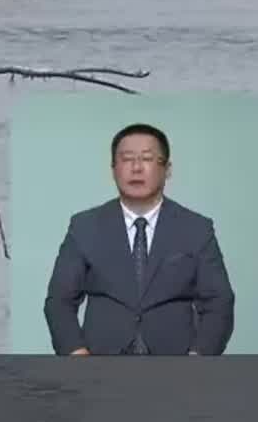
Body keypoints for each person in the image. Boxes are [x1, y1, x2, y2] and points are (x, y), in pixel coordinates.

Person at [43, 123, 235, 356]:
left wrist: (198, 357)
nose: (136, 168)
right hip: (100, 366)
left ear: (167, 169)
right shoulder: (84, 226)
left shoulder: (196, 229)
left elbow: (219, 302)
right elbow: (59, 301)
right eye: (126, 159)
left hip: (177, 368)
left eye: (146, 158)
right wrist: (76, 353)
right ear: (113, 169)